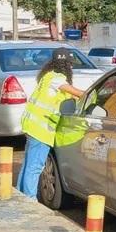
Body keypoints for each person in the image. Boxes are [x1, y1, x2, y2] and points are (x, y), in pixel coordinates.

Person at [17, 47, 85, 198]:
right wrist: (93, 95)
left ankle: (20, 196)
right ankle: (29, 200)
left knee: (28, 164)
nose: (72, 67)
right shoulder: (57, 79)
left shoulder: (47, 76)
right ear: (66, 65)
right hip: (41, 129)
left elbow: (67, 96)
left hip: (32, 125)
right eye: (70, 64)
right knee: (35, 167)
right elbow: (77, 93)